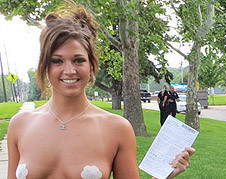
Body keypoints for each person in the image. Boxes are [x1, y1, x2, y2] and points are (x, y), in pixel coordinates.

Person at [7, 2, 195, 179]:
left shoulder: (117, 128)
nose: (69, 70)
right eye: (57, 61)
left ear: (91, 65)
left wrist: (165, 174)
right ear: (45, 67)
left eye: (78, 60)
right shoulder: (20, 125)